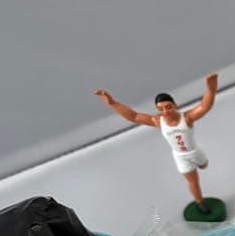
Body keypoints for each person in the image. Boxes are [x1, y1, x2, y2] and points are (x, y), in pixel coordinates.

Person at [93, 73, 223, 220]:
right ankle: (199, 202)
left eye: (168, 107)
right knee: (192, 181)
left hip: (194, 151)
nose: (165, 112)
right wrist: (112, 103)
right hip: (180, 156)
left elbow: (204, 107)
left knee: (204, 165)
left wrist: (211, 89)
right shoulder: (158, 121)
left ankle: (202, 164)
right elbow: (133, 116)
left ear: (174, 105)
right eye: (161, 109)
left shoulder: (186, 118)